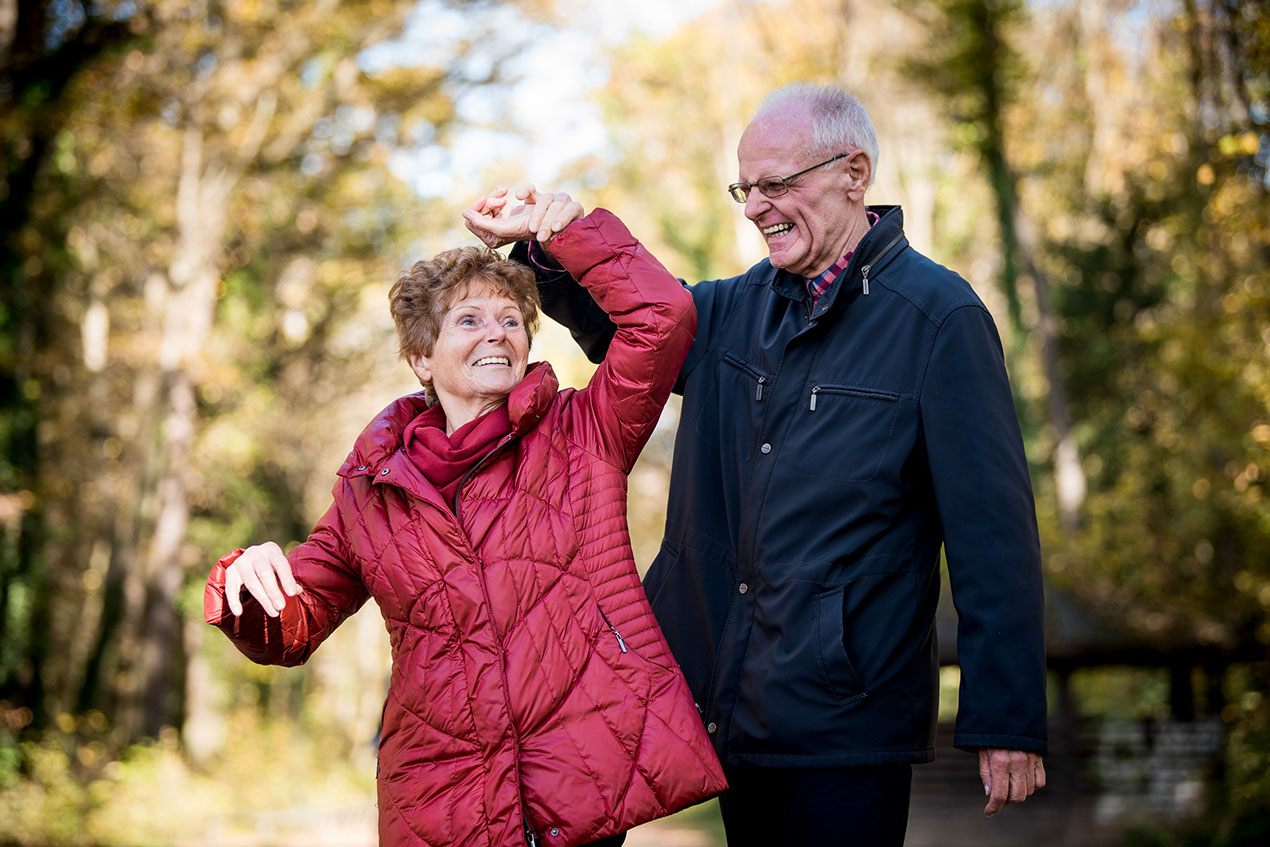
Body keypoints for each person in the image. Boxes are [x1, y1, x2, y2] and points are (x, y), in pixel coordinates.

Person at [470, 83, 1049, 846]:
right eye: (748, 187)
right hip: (728, 703)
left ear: (855, 172)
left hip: (848, 721)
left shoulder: (940, 319)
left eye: (779, 184)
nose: (755, 207)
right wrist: (546, 246)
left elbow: (992, 533)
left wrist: (1005, 715)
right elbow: (636, 324)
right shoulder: (735, 308)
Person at [202, 191, 727, 847]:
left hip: (574, 793)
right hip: (437, 804)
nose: (496, 333)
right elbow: (292, 626)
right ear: (422, 358)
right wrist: (248, 585)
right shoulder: (371, 488)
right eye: (469, 320)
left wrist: (559, 229)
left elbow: (663, 315)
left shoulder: (581, 433)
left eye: (511, 320)